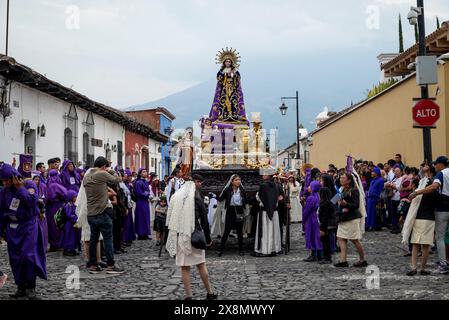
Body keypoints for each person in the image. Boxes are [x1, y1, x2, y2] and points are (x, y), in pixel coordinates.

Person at [166, 174, 217, 300]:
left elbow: (171, 215)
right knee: (201, 264)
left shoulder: (176, 196)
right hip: (194, 234)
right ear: (195, 183)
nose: (200, 185)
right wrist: (208, 238)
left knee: (185, 267)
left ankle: (189, 296)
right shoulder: (197, 197)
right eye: (199, 182)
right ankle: (210, 292)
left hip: (180, 235)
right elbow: (204, 220)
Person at [0, 165, 47, 299]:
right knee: (15, 259)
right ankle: (21, 287)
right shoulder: (4, 191)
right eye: (2, 181)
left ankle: (31, 286)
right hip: (12, 229)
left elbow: (31, 202)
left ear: (14, 177)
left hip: (28, 225)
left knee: (28, 256)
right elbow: (1, 212)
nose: (5, 183)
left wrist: (20, 188)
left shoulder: (28, 184)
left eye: (7, 180)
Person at [83, 157, 124, 274]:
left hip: (91, 213)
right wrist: (111, 171)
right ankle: (110, 265)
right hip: (102, 212)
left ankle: (93, 265)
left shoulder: (86, 177)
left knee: (93, 239)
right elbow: (118, 180)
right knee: (108, 239)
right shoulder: (101, 174)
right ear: (103, 166)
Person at [410, 156, 449, 274]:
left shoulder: (441, 174)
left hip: (443, 208)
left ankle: (443, 264)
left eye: (436, 164)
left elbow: (434, 187)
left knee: (440, 237)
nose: (435, 166)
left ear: (441, 164)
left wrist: (417, 192)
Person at [402, 167, 438, 276]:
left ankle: (414, 267)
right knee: (424, 245)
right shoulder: (432, 185)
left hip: (421, 217)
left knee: (416, 244)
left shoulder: (423, 186)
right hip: (428, 217)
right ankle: (421, 268)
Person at [335, 173, 368, 268]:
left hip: (351, 218)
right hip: (343, 217)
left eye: (343, 177)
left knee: (354, 240)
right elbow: (333, 201)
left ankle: (362, 259)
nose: (341, 179)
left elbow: (356, 205)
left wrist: (346, 204)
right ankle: (343, 260)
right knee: (341, 238)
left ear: (349, 180)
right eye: (340, 177)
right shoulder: (341, 189)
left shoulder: (354, 190)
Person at [252, 168, 282, 257]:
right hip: (274, 212)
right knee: (273, 230)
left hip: (265, 212)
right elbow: (280, 197)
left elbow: (259, 198)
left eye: (264, 174)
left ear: (268, 176)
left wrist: (257, 196)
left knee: (265, 231)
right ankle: (274, 249)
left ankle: (264, 250)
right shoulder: (277, 185)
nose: (263, 175)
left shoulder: (263, 185)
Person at [217, 174, 247, 257]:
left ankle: (241, 249)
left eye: (239, 180)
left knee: (239, 232)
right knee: (226, 231)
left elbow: (246, 200)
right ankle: (221, 249)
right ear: (232, 182)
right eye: (236, 180)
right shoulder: (228, 190)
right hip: (230, 212)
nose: (238, 181)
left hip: (239, 211)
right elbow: (221, 198)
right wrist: (214, 196)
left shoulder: (242, 190)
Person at [46, 169, 68, 251]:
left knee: (51, 225)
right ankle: (58, 243)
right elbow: (65, 194)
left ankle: (53, 244)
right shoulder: (56, 185)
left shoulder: (48, 184)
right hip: (57, 206)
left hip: (49, 208)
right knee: (57, 224)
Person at [303, 181, 323, 262]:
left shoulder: (311, 198)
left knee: (312, 235)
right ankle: (319, 254)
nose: (308, 188)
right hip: (318, 217)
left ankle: (313, 254)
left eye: (310, 186)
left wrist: (304, 219)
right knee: (317, 236)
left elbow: (307, 210)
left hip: (311, 218)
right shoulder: (319, 196)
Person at [319, 187, 337, 264]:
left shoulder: (325, 204)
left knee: (325, 241)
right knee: (325, 241)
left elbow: (325, 217)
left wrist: (322, 228)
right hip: (327, 225)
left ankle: (327, 257)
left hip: (326, 225)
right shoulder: (329, 202)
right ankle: (326, 256)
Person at [60, 190, 80, 256]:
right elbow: (68, 215)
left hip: (73, 224)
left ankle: (72, 249)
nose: (76, 198)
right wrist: (76, 218)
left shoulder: (74, 204)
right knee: (68, 237)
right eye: (75, 197)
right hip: (69, 224)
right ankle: (66, 250)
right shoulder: (68, 205)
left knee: (74, 237)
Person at [134, 168, 152, 240]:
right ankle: (140, 234)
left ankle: (145, 233)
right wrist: (147, 194)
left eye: (146, 172)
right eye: (144, 172)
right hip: (140, 202)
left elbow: (147, 190)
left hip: (145, 202)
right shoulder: (138, 182)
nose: (146, 173)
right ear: (140, 173)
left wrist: (148, 195)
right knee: (141, 218)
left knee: (146, 217)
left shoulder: (145, 182)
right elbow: (139, 193)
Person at [32, 173, 49, 251]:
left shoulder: (41, 188)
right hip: (35, 213)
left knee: (43, 230)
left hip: (41, 212)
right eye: (35, 180)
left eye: (38, 180)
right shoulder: (30, 189)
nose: (37, 181)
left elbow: (44, 199)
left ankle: (43, 246)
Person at [366, 167, 384, 231]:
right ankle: (369, 225)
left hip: (375, 198)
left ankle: (373, 225)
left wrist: (379, 199)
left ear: (376, 173)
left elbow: (380, 190)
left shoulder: (380, 180)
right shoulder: (372, 180)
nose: (371, 173)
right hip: (370, 198)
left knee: (374, 213)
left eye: (373, 172)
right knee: (369, 212)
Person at [387, 166, 404, 234]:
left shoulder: (402, 179)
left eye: (397, 171)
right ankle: (394, 227)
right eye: (395, 171)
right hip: (393, 198)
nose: (396, 173)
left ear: (401, 172)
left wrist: (393, 186)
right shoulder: (394, 179)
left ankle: (399, 227)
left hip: (398, 198)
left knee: (398, 214)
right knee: (393, 214)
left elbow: (400, 189)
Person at [121, 169, 135, 246]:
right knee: (126, 223)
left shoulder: (129, 184)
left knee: (129, 222)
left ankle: (129, 237)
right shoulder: (123, 184)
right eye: (128, 176)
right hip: (125, 206)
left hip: (129, 205)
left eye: (130, 176)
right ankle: (125, 238)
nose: (129, 178)